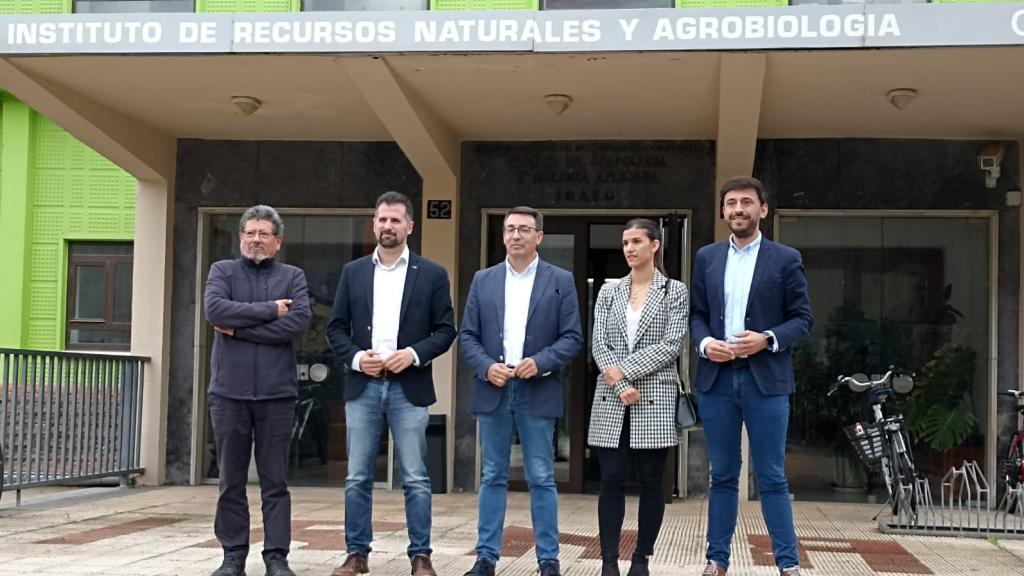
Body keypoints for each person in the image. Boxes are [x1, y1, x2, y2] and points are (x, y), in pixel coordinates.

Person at [327, 191, 457, 576]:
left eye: (395, 220)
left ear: (410, 227)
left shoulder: (432, 274)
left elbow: (446, 330)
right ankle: (356, 554)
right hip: (363, 386)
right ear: (374, 223)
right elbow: (336, 328)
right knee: (357, 477)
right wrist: (355, 358)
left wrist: (413, 354)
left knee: (416, 477)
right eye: (382, 220)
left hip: (409, 386)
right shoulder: (353, 272)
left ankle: (421, 556)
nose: (387, 226)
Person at [689, 176, 814, 576]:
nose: (738, 209)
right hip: (717, 381)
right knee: (722, 474)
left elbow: (803, 319)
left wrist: (768, 339)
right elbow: (697, 315)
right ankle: (716, 561)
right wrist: (707, 343)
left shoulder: (785, 258)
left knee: (773, 475)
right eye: (730, 203)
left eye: (746, 202)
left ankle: (788, 565)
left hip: (767, 380)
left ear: (763, 209)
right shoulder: (707, 257)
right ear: (723, 211)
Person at [459, 206, 583, 576]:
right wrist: (485, 366)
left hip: (537, 387)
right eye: (510, 229)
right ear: (502, 235)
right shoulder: (483, 279)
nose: (516, 235)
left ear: (539, 236)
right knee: (492, 475)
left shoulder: (560, 279)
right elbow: (467, 335)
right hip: (494, 386)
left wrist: (541, 361)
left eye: (524, 229)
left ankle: (548, 560)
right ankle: (486, 558)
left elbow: (573, 336)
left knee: (541, 477)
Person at [204, 205, 312, 576]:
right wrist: (270, 309)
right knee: (230, 479)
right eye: (250, 233)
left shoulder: (292, 276)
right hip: (228, 394)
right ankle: (233, 556)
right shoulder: (222, 271)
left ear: (278, 241)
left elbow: (297, 323)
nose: (256, 239)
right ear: (240, 237)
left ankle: (276, 558)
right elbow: (215, 311)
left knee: (275, 482)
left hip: (276, 395)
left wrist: (240, 328)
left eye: (264, 233)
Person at [587, 219, 689, 576]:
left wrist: (622, 372)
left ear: (655, 245)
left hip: (654, 397)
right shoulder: (608, 291)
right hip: (612, 398)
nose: (629, 248)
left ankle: (641, 560)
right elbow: (598, 342)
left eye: (637, 241)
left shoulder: (674, 291)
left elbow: (670, 345)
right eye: (625, 242)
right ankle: (609, 562)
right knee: (610, 480)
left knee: (651, 483)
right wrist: (617, 383)